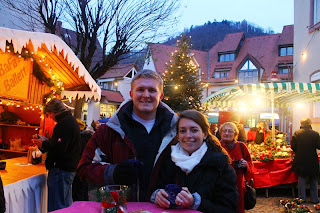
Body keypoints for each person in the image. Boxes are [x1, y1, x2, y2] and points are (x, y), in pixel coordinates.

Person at [77, 69, 178, 201]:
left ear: (161, 95)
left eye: (152, 90)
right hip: (121, 207)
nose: (146, 95)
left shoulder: (176, 132)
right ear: (131, 94)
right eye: (140, 89)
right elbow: (84, 168)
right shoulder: (109, 131)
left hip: (162, 209)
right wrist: (114, 172)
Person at [151, 110, 238, 212]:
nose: (188, 135)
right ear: (178, 135)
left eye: (194, 130)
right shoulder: (168, 160)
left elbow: (229, 209)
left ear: (205, 134)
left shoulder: (219, 165)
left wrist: (196, 202)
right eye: (183, 131)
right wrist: (157, 195)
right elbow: (157, 186)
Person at [32, 98, 81, 211]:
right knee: (65, 205)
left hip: (61, 170)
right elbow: (61, 145)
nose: (50, 117)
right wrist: (47, 142)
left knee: (57, 207)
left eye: (49, 114)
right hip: (68, 169)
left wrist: (44, 143)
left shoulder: (64, 124)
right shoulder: (70, 121)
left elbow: (60, 148)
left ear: (54, 112)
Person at [219, 122, 253, 213]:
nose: (227, 133)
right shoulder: (216, 146)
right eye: (224, 131)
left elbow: (250, 164)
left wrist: (246, 165)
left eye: (230, 131)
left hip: (238, 184)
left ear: (235, 134)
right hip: (220, 184)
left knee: (238, 208)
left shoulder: (241, 146)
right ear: (220, 133)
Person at [291, 118, 320, 203]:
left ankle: (301, 198)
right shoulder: (315, 134)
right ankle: (314, 199)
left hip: (300, 158)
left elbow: (293, 146)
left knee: (301, 178)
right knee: (313, 179)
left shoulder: (297, 133)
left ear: (301, 123)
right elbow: (319, 146)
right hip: (312, 159)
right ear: (310, 123)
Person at [72, 119, 94, 201]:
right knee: (83, 191)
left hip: (78, 166)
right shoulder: (88, 138)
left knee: (77, 192)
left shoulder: (79, 139)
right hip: (86, 167)